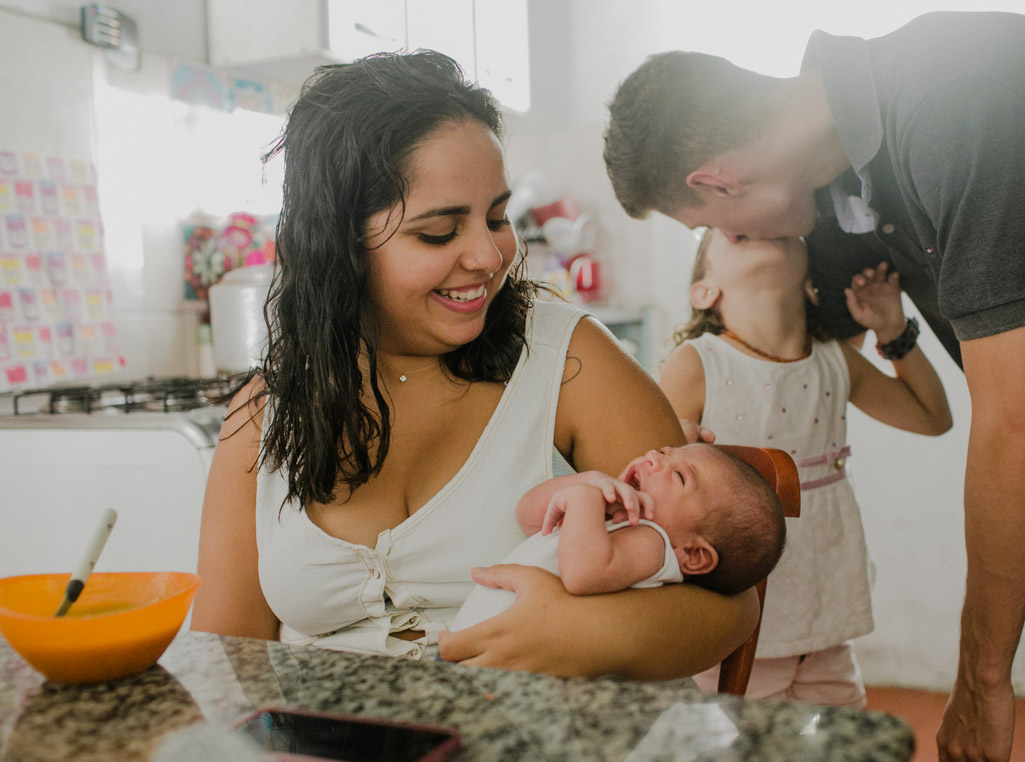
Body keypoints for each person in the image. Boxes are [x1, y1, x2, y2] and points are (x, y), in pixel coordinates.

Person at [602, 11, 1025, 762]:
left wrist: (983, 680)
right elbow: (790, 332)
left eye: (707, 224)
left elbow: (1014, 426)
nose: (726, 238)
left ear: (719, 181)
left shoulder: (960, 95)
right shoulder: (845, 185)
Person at [191, 50, 763, 682]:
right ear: (338, 247)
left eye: (497, 218)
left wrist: (586, 633)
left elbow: (728, 608)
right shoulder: (265, 414)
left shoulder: (567, 360)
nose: (490, 256)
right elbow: (229, 655)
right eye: (438, 233)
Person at [658, 229, 950, 707]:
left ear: (811, 282)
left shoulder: (836, 361)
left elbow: (933, 417)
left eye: (774, 225)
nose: (755, 225)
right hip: (739, 630)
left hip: (827, 622)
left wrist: (892, 331)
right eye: (734, 229)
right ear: (704, 290)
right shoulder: (697, 364)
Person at [451, 443, 787, 632]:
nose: (654, 458)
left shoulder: (654, 543)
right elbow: (528, 516)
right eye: (667, 452)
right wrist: (587, 482)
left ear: (693, 555)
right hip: (482, 649)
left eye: (680, 476)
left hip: (510, 664)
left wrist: (584, 498)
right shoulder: (614, 521)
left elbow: (583, 575)